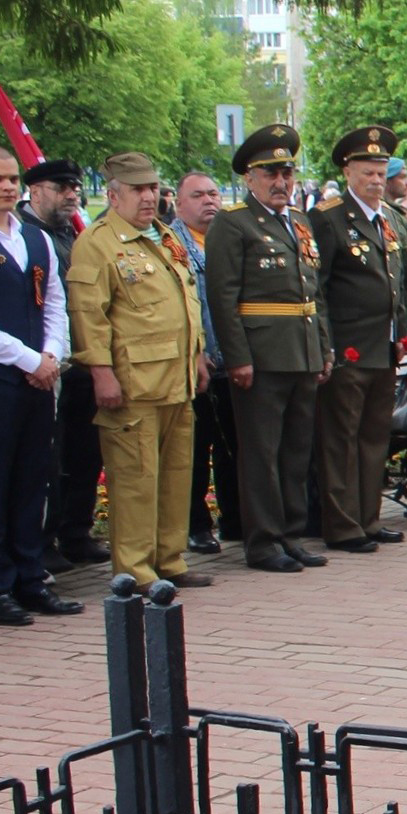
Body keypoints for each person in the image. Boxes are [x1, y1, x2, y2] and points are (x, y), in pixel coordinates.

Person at [66, 151, 210, 589]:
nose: (149, 197)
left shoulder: (165, 236)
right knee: (135, 481)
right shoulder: (98, 242)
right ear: (112, 195)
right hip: (133, 384)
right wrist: (100, 371)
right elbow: (89, 313)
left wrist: (198, 354)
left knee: (174, 476)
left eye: (152, 188)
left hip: (177, 378)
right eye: (137, 190)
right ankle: (135, 569)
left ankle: (169, 559)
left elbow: (187, 301)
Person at [0, 144, 78, 623]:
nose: (7, 187)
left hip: (36, 380)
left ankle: (31, 577)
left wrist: (52, 355)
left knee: (33, 480)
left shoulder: (36, 239)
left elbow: (53, 303)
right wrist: (30, 358)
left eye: (12, 179)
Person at [207, 124, 331, 574]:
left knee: (296, 450)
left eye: (287, 172)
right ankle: (262, 542)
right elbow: (223, 296)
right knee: (261, 452)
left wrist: (323, 347)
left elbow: (312, 290)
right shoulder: (233, 222)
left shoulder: (298, 222)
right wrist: (237, 356)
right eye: (270, 173)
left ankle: (291, 533)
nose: (280, 182)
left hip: (301, 350)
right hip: (261, 354)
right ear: (249, 177)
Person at [309, 125, 407, 555]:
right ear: (347, 171)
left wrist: (404, 331)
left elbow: (397, 281)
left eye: (379, 171)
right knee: (341, 439)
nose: (375, 179)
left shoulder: (388, 218)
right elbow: (318, 287)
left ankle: (369, 518)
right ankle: (342, 524)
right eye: (366, 171)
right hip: (349, 347)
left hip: (383, 345)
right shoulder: (329, 218)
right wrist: (327, 345)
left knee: (374, 437)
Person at [18, 157, 108, 572]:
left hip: (83, 359)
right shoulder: (23, 234)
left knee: (85, 453)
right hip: (43, 362)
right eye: (61, 187)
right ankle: (44, 538)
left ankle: (76, 531)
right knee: (48, 459)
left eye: (75, 187)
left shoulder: (74, 236)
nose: (72, 194)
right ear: (35, 191)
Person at [172, 169, 241, 556]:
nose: (209, 201)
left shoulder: (229, 238)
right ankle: (196, 525)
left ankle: (235, 518)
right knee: (196, 452)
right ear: (179, 203)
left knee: (233, 447)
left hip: (232, 362)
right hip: (194, 365)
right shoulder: (171, 243)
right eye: (198, 195)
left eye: (214, 193)